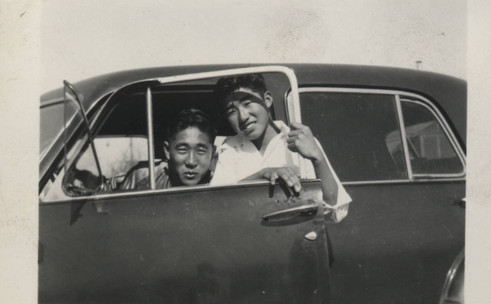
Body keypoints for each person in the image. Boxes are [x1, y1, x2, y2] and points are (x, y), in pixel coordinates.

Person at [211, 74, 351, 222]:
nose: (243, 116)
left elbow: (336, 212)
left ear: (267, 100)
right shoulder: (228, 148)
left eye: (247, 103)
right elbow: (217, 207)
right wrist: (262, 175)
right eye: (232, 111)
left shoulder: (300, 141)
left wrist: (318, 159)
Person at [120, 108, 216, 190]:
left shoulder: (222, 184)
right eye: (182, 150)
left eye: (201, 151)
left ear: (212, 152)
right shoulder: (144, 178)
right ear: (167, 150)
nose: (191, 162)